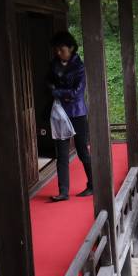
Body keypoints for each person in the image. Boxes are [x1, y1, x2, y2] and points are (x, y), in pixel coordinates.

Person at [48, 31, 92, 202]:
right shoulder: (53, 65)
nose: (58, 53)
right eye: (56, 50)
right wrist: (57, 92)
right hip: (60, 113)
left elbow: (76, 93)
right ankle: (63, 191)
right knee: (62, 154)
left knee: (82, 151)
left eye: (61, 49)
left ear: (71, 48)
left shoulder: (79, 67)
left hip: (77, 113)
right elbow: (47, 84)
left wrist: (57, 92)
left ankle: (92, 185)